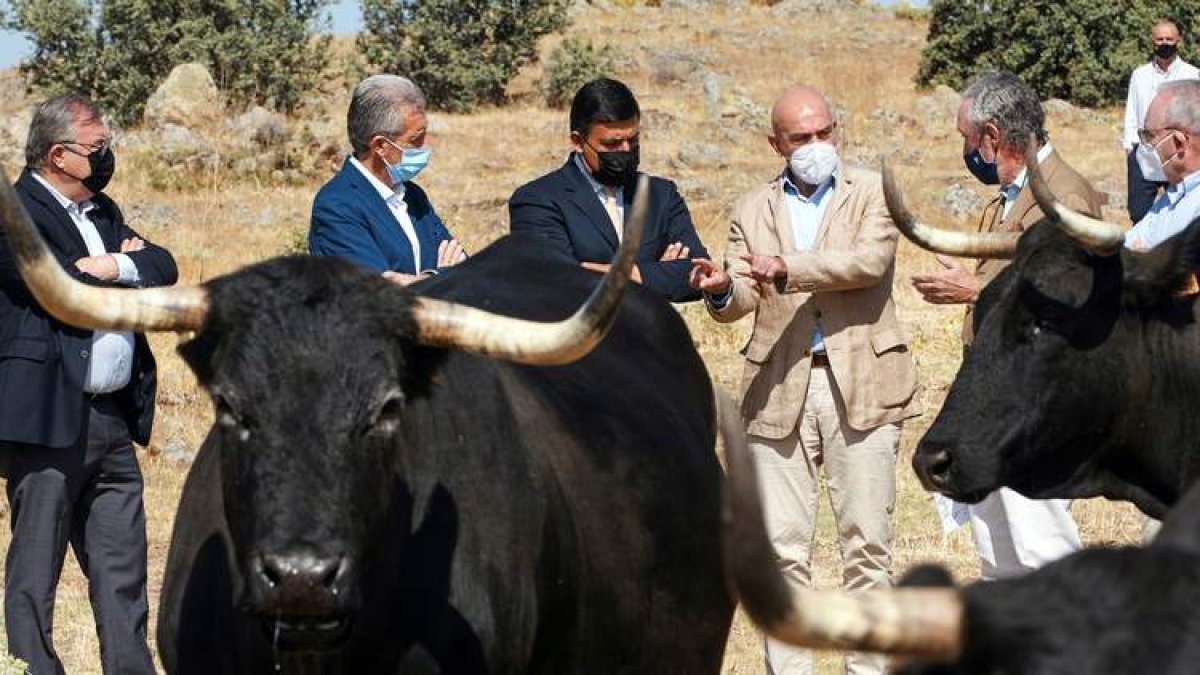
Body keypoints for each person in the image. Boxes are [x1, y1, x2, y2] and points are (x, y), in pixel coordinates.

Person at [689, 85, 919, 675]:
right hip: (777, 390)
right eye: (801, 138)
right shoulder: (750, 208)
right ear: (776, 144)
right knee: (781, 552)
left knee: (867, 546)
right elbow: (742, 292)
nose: (816, 147)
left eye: (824, 133)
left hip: (862, 381)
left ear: (838, 130)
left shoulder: (873, 192)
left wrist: (788, 268)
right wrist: (720, 289)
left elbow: (867, 263)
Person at [0, 93, 178, 674]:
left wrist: (120, 265)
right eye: (96, 148)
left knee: (124, 570)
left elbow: (164, 266)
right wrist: (116, 269)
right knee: (35, 571)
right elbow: (56, 290)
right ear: (58, 155)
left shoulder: (102, 211)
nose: (106, 157)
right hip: (48, 416)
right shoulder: (13, 213)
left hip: (112, 418)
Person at [909, 71, 1096, 580]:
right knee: (1000, 559)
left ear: (992, 137)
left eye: (966, 139)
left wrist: (974, 291)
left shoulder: (1064, 197)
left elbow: (1065, 302)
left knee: (1043, 554)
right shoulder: (1005, 200)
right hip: (996, 403)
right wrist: (972, 281)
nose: (966, 151)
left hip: (1035, 408)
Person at [509, 77, 708, 302]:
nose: (625, 150)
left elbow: (699, 275)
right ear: (578, 142)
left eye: (632, 141)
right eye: (612, 144)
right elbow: (555, 284)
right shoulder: (537, 200)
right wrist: (656, 274)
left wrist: (626, 274)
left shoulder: (660, 195)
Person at [309, 74, 465, 284]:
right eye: (415, 139)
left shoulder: (413, 195)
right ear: (380, 146)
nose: (425, 146)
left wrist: (419, 280)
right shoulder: (337, 206)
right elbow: (378, 292)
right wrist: (438, 276)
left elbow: (463, 265)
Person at [1123, 19, 1198, 223]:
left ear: (1178, 41)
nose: (1164, 43)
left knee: (1181, 214)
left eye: (1169, 39)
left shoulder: (1192, 74)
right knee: (1138, 213)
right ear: (1152, 42)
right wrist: (1130, 147)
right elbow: (1132, 110)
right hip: (1144, 152)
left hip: (1178, 154)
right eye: (1160, 39)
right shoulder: (1140, 75)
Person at [1124, 79, 1200, 250]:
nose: (1143, 146)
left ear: (1179, 143)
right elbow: (1130, 243)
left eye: (1149, 136)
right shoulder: (1173, 196)